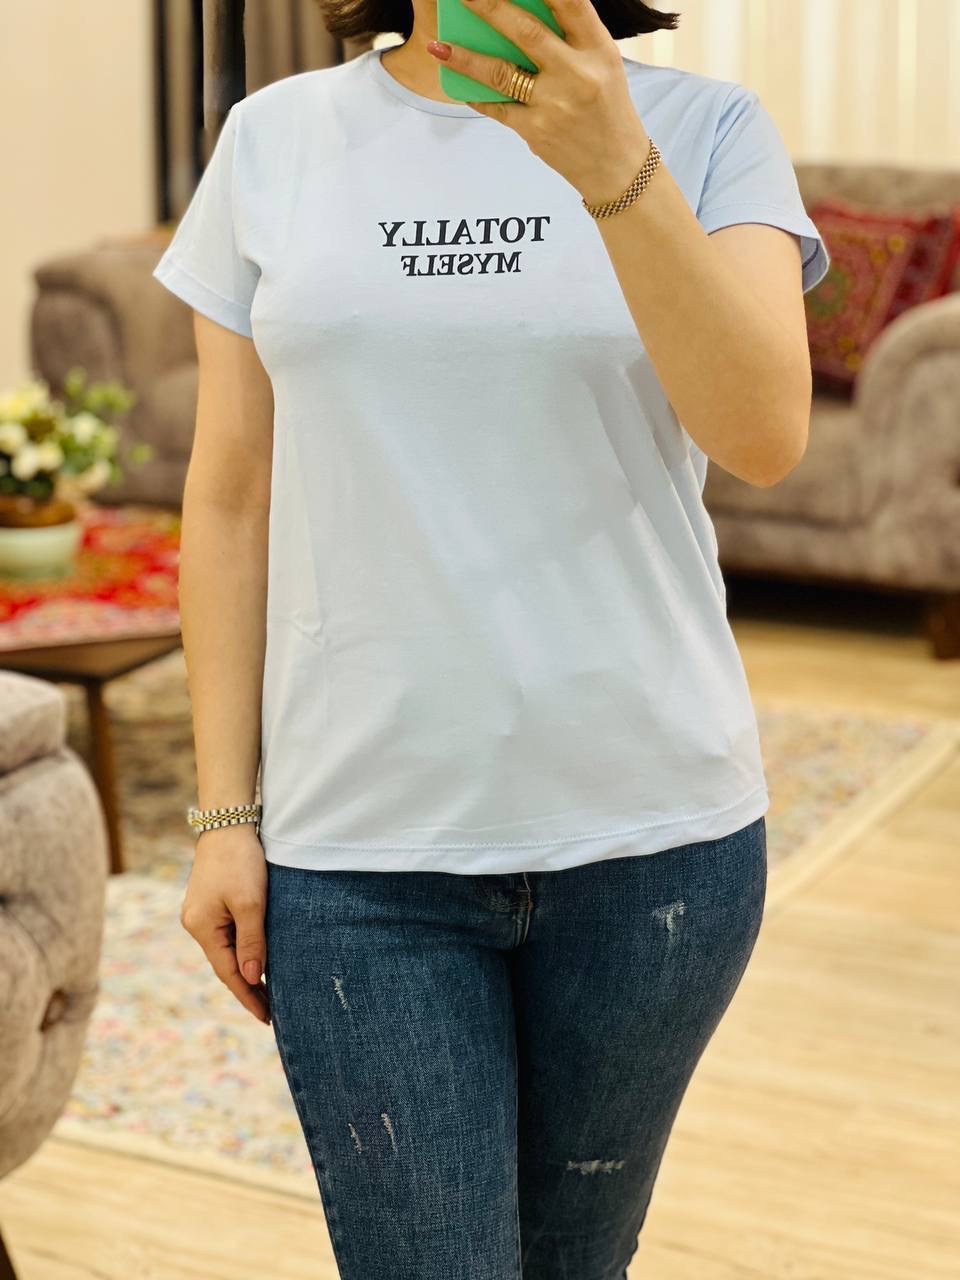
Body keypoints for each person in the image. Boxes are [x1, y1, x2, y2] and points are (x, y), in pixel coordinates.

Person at [154, 0, 829, 1273]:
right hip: (359, 851)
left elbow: (763, 435)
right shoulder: (273, 138)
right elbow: (232, 492)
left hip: (653, 843)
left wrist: (612, 161)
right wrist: (223, 816)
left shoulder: (707, 130)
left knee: (580, 1259)